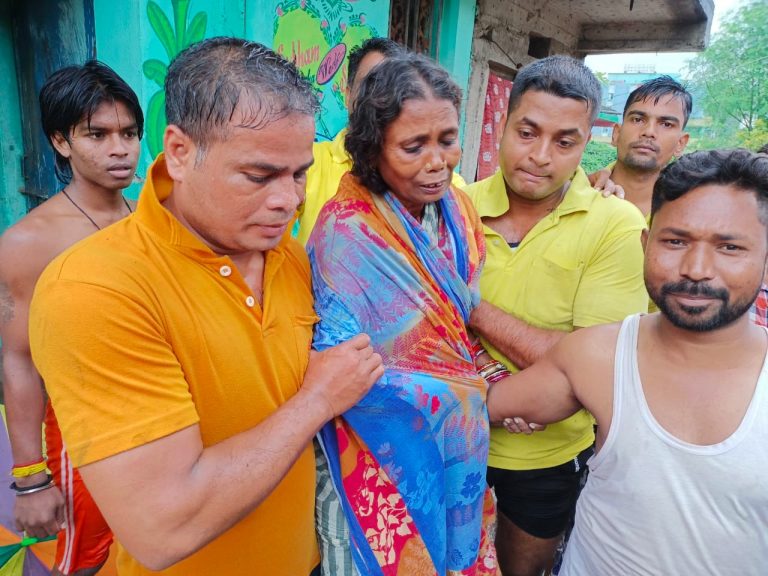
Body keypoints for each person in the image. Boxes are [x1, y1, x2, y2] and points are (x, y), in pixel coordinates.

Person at [28, 37, 383, 576]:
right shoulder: (96, 289)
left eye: (300, 173)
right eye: (260, 175)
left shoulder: (289, 255)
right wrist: (317, 400)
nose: (289, 200)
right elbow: (162, 526)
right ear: (179, 151)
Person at [487, 148, 768, 575]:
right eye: (675, 241)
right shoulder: (597, 355)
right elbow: (476, 404)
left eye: (729, 247)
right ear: (645, 243)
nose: (695, 268)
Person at [309, 53, 498, 575]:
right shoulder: (346, 234)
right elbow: (342, 366)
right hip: (374, 454)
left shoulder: (458, 214)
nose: (437, 161)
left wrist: (480, 377)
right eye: (413, 147)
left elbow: (458, 325)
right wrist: (457, 391)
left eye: (447, 140)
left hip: (461, 442)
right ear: (374, 150)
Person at [464, 55, 648, 576]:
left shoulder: (614, 224)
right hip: (450, 441)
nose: (540, 156)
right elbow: (419, 331)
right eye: (527, 132)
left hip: (545, 456)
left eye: (564, 142)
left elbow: (594, 365)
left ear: (588, 143)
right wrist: (523, 389)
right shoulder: (454, 205)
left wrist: (471, 306)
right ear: (502, 124)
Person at [0, 60, 144, 576]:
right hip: (83, 434)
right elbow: (19, 361)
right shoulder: (28, 243)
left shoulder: (153, 215)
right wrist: (31, 478)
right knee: (86, 561)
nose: (119, 148)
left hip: (158, 423)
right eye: (97, 134)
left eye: (129, 132)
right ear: (61, 142)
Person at [296, 36, 403, 245]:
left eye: (391, 88)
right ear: (347, 95)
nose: (379, 99)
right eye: (369, 85)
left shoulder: (436, 182)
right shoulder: (309, 163)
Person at [604, 75, 692, 217]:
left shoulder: (688, 213)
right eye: (638, 120)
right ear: (616, 134)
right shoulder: (573, 191)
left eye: (666, 124)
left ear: (680, 144)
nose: (649, 132)